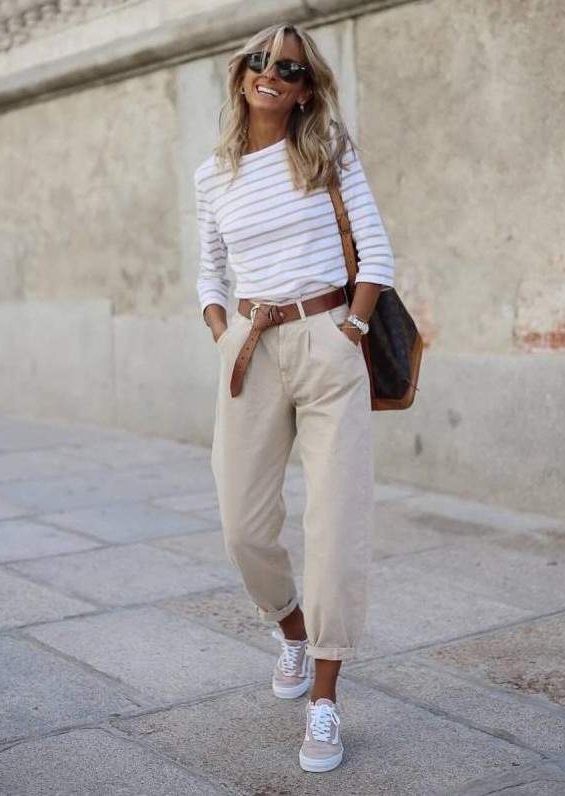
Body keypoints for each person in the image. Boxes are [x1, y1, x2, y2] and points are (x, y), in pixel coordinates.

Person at [194, 22, 395, 773]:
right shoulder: (212, 175)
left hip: (326, 340)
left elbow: (376, 254)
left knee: (336, 521)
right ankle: (292, 630)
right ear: (240, 72)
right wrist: (223, 332)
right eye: (260, 62)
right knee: (243, 526)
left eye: (289, 69)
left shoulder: (329, 152)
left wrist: (352, 329)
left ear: (307, 89)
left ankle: (325, 699)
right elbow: (210, 269)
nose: (271, 75)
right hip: (248, 347)